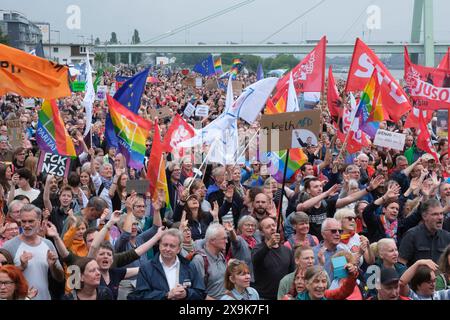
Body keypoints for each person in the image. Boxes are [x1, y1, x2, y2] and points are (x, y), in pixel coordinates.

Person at [2, 204, 64, 300]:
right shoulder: (9, 246)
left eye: (31, 221)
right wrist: (21, 267)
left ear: (39, 221)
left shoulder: (48, 244)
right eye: (23, 221)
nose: (26, 225)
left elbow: (60, 278)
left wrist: (53, 266)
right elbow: (2, 279)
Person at [128, 228, 205, 300]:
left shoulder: (189, 266)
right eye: (165, 245)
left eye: (172, 246)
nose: (167, 249)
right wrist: (166, 295)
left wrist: (186, 294)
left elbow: (200, 293)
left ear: (178, 249)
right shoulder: (146, 268)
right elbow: (139, 296)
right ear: (159, 246)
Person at [252, 216, 295, 300]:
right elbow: (256, 259)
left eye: (273, 225)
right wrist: (269, 245)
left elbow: (291, 273)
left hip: (283, 296)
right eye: (268, 227)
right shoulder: (257, 249)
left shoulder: (287, 250)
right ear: (262, 232)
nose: (272, 228)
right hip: (264, 297)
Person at [399, 199, 450, 266]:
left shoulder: (447, 237)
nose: (440, 217)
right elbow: (401, 264)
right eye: (435, 214)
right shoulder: (412, 235)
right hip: (417, 275)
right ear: (424, 216)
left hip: (439, 275)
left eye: (441, 214)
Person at [191, 223, 228, 300]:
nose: (226, 241)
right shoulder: (199, 260)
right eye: (223, 238)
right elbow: (197, 292)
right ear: (212, 241)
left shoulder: (221, 255)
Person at [223, 215, 259, 281]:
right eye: (247, 225)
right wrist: (231, 231)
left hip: (256, 279)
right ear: (241, 227)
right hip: (242, 279)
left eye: (252, 225)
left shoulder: (256, 240)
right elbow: (235, 240)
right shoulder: (240, 240)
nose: (250, 227)